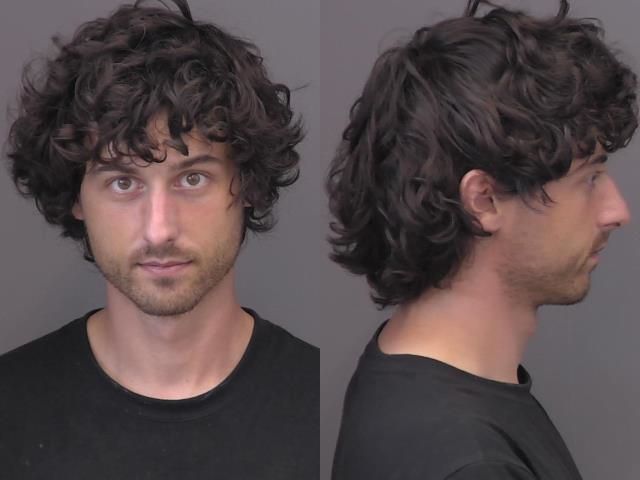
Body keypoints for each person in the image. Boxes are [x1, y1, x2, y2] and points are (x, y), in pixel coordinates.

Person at [0, 1, 318, 478]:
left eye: (192, 179)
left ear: (248, 186)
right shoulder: (10, 412)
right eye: (122, 182)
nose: (159, 229)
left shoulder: (320, 406)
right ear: (76, 197)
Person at [328, 0, 637, 478]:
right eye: (589, 179)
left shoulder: (424, 383)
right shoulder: (468, 461)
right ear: (484, 200)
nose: (618, 211)